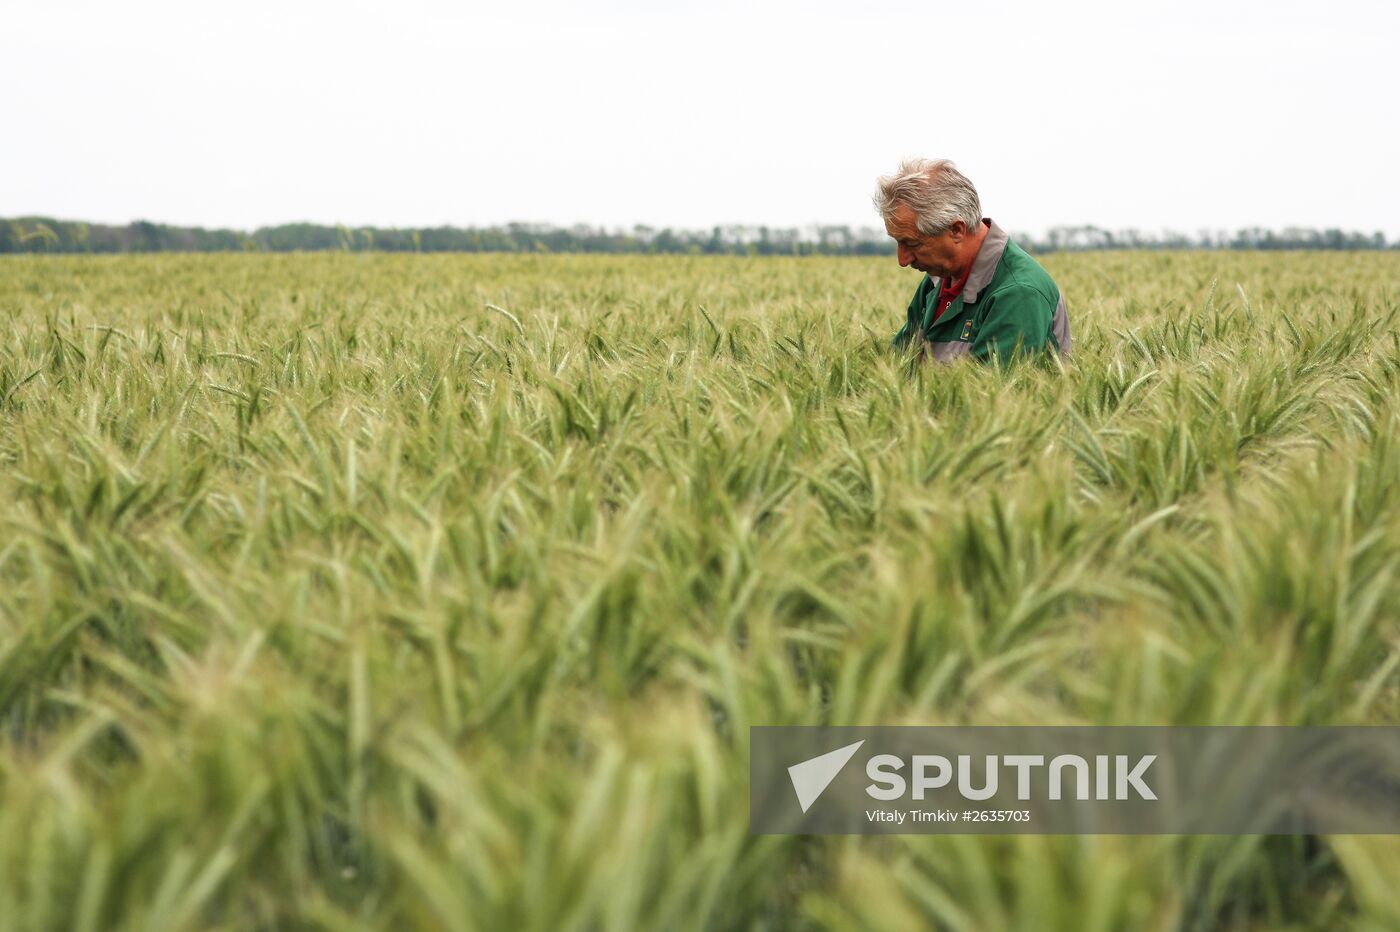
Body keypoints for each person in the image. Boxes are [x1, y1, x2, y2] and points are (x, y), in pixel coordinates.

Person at [874, 159, 1071, 364]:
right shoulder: (936, 281)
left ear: (956, 230)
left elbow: (990, 392)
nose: (902, 260)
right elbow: (899, 364)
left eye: (912, 243)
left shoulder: (1018, 294)